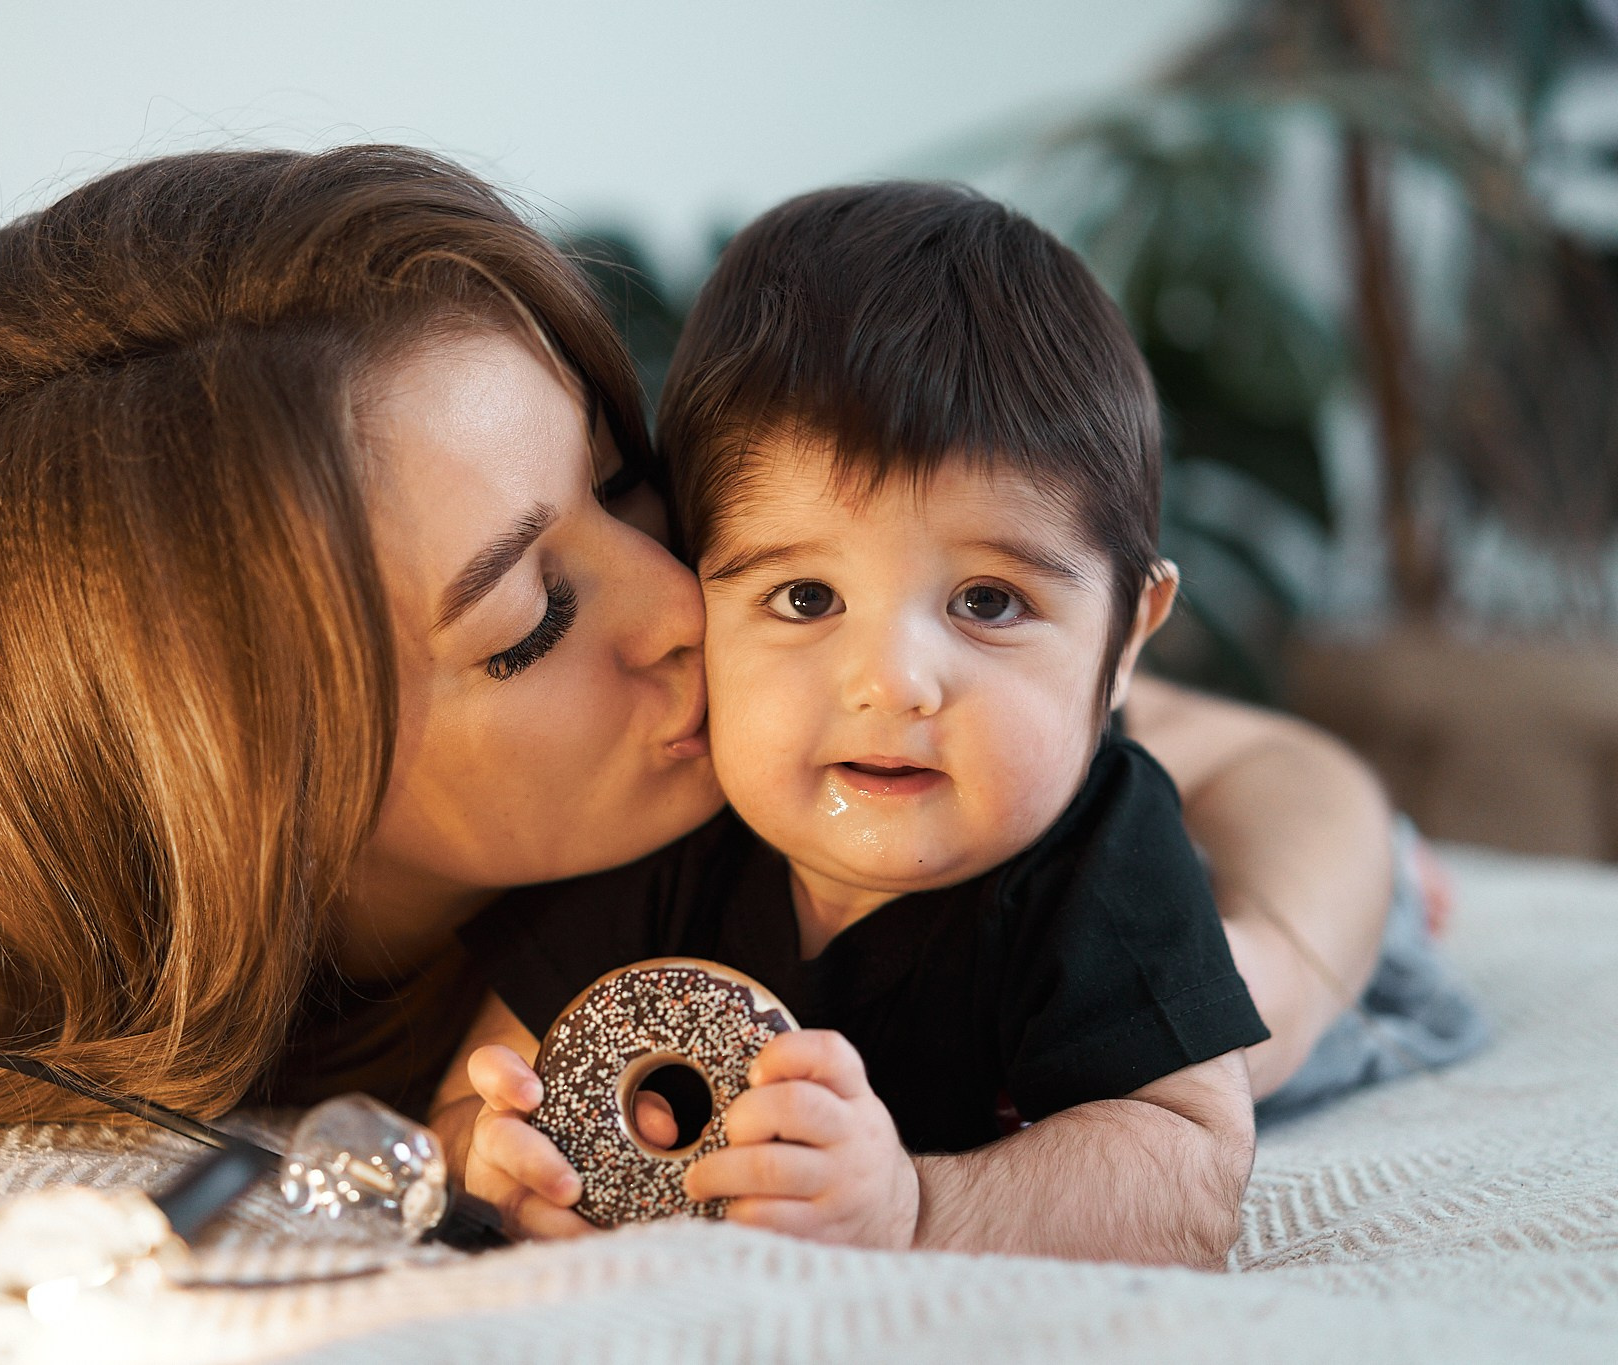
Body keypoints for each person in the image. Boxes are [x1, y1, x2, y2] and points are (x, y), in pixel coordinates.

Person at [0, 148, 1390, 1155]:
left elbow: (1256, 766)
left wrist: (1229, 1007)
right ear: (243, 792)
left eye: (626, 488)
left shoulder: (802, 726)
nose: (687, 606)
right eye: (530, 623)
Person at [437, 183, 1276, 1267]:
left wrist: (916, 1211)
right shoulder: (666, 823)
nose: (890, 685)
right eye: (803, 599)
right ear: (695, 599)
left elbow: (1192, 1171)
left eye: (986, 602)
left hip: (1196, 930)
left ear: (1125, 639)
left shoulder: (1101, 851)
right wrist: (504, 1168)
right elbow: (470, 1101)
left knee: (1334, 977)